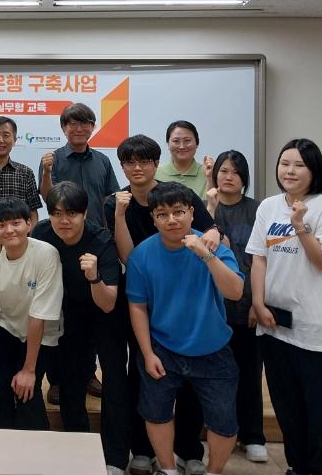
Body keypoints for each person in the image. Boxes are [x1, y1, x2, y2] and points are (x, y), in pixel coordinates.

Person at [103, 134, 219, 475]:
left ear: (156, 163)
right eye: (129, 162)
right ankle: (141, 448)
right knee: (142, 371)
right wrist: (120, 214)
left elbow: (211, 231)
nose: (137, 168)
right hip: (138, 295)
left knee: (187, 374)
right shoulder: (115, 202)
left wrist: (213, 233)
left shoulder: (175, 194)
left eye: (144, 161)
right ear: (122, 166)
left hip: (179, 296)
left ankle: (188, 450)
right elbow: (127, 256)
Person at [126, 182, 244, 475]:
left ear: (192, 212)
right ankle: (167, 469)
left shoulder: (213, 246)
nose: (171, 220)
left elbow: (235, 292)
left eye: (178, 212)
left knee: (224, 421)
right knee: (156, 412)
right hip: (163, 349)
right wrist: (147, 353)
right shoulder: (142, 254)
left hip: (213, 348)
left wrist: (205, 255)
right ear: (153, 219)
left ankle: (213, 471)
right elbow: (138, 307)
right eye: (162, 214)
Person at [246, 139, 322, 475]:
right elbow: (259, 259)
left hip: (313, 327)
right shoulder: (268, 206)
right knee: (286, 407)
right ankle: (297, 466)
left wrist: (300, 225)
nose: (289, 171)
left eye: (299, 165)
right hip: (274, 322)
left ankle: (320, 469)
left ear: (314, 170)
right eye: (285, 163)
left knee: (318, 410)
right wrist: (257, 303)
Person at [31, 182, 130, 475]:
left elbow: (109, 303)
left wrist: (94, 277)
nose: (64, 220)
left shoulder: (101, 241)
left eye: (72, 213)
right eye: (57, 213)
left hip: (105, 314)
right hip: (69, 316)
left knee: (115, 383)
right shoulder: (41, 234)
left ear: (85, 213)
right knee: (71, 387)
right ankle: (78, 452)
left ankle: (115, 458)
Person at [0, 197, 63, 431]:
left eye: (16, 223)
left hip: (41, 332)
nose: (9, 230)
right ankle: (3, 445)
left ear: (29, 224)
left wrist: (29, 370)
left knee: (26, 390)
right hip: (7, 325)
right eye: (1, 225)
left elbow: (38, 316)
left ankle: (36, 447)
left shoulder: (46, 254)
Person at [209, 150, 267, 463]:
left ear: (244, 177)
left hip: (247, 305)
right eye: (223, 170)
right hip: (214, 308)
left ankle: (252, 436)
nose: (228, 176)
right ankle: (220, 432)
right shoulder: (206, 208)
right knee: (215, 376)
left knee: (249, 373)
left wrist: (258, 302)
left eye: (235, 171)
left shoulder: (258, 210)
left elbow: (264, 260)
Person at [38, 102, 119, 230]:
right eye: (73, 124)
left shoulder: (103, 160)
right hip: (64, 231)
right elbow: (48, 197)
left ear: (93, 127)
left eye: (84, 123)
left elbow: (109, 198)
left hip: (97, 232)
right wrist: (46, 173)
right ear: (64, 128)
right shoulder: (52, 160)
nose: (79, 129)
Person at [155, 121, 214, 200]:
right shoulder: (155, 173)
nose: (182, 146)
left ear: (197, 143)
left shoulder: (208, 173)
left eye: (187, 140)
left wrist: (210, 178)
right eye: (176, 141)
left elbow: (213, 203)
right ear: (168, 144)